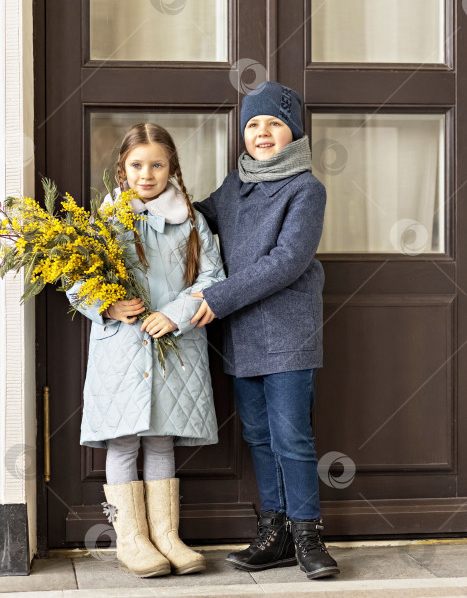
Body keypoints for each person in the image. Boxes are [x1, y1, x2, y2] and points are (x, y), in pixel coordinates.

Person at [191, 81, 339, 580]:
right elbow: (195, 220)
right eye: (253, 124)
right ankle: (273, 530)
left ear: (293, 131)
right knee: (257, 434)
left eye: (274, 123)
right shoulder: (234, 186)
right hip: (241, 334)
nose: (262, 133)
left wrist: (215, 298)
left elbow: (286, 262)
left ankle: (307, 533)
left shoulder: (306, 188)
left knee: (291, 436)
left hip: (287, 330)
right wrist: (143, 205)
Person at [67, 123, 225, 578]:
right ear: (122, 168)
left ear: (171, 167)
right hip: (123, 352)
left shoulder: (193, 221)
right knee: (123, 440)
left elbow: (212, 278)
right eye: (137, 165)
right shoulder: (106, 220)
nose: (147, 174)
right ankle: (132, 540)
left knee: (161, 438)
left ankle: (167, 535)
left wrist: (175, 312)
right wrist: (109, 304)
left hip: (175, 345)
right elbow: (75, 280)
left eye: (157, 165)